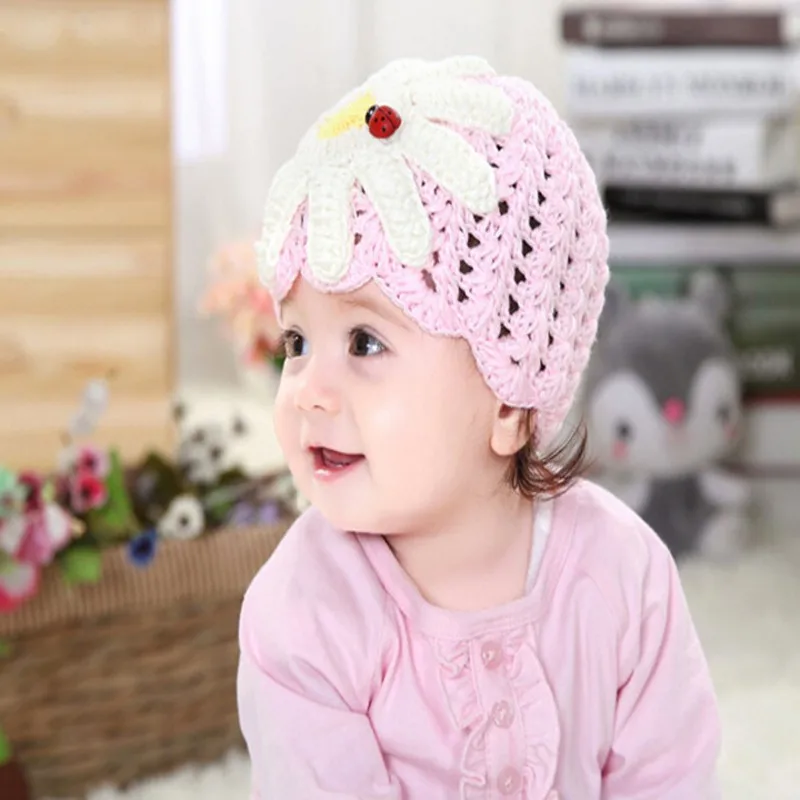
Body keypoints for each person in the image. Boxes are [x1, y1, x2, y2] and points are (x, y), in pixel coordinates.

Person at [236, 56, 721, 799]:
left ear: (509, 402)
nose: (307, 391)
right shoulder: (303, 615)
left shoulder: (624, 576)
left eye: (365, 343)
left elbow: (670, 775)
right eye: (296, 342)